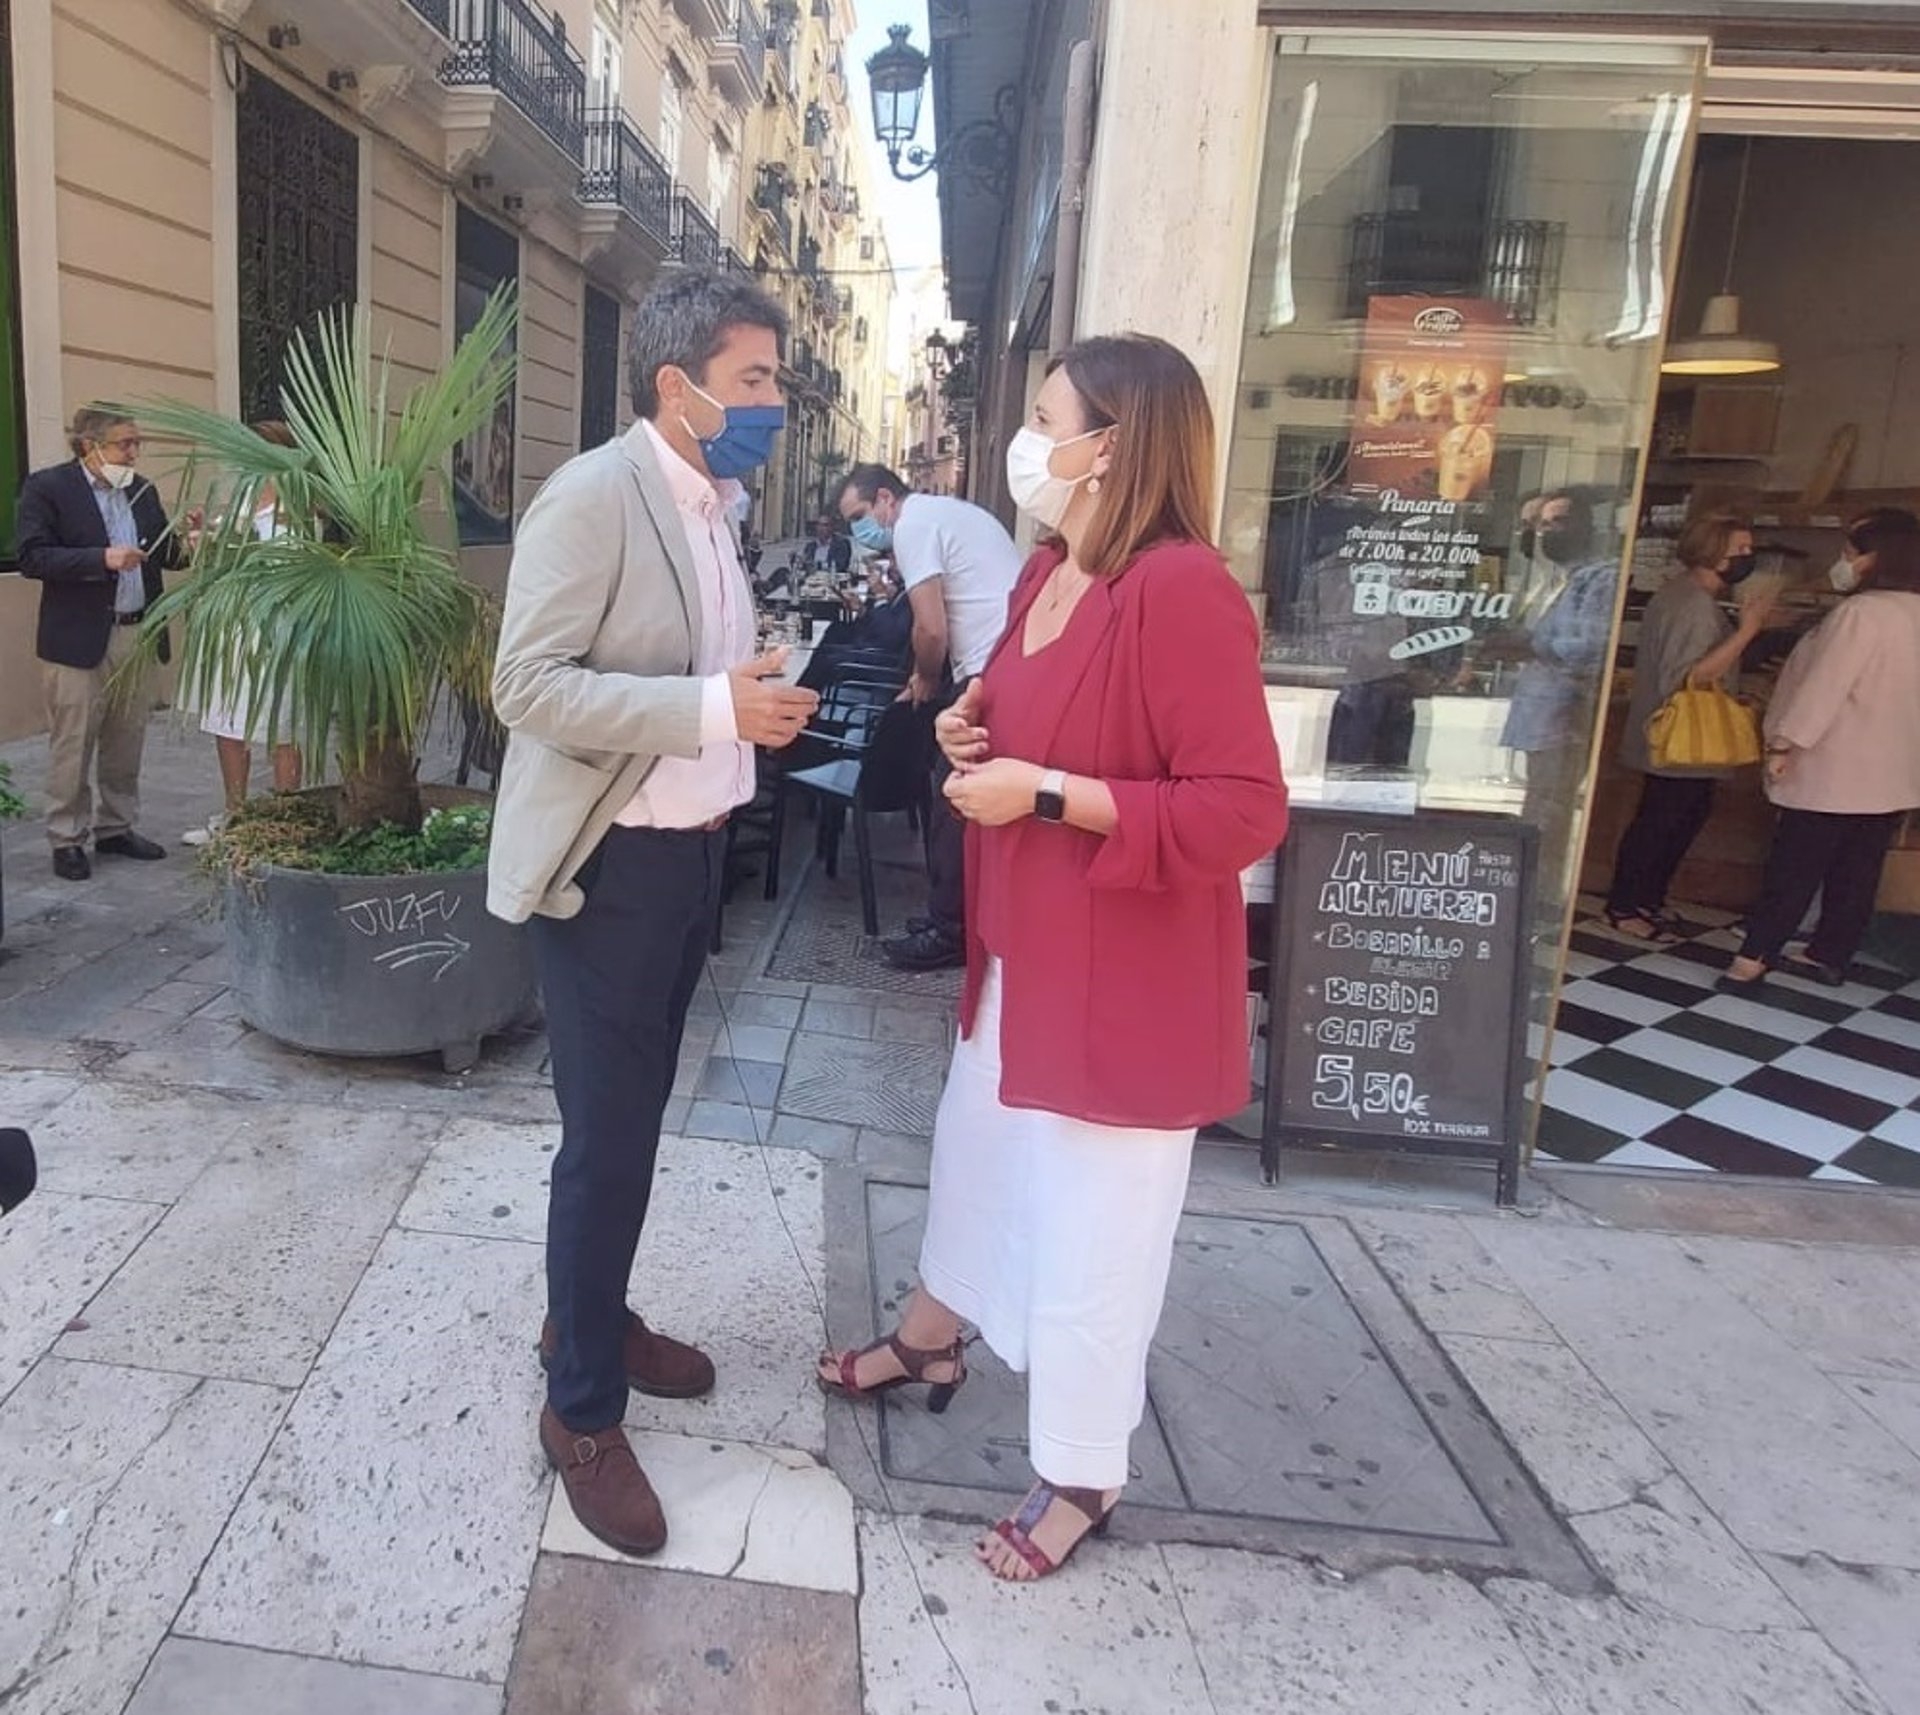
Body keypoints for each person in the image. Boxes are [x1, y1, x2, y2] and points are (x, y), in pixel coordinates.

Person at [816, 334, 1288, 1582]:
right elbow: (1023, 721)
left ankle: (1083, 1467)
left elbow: (1242, 808)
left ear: (1112, 445)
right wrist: (980, 728)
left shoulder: (1181, 588)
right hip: (1019, 954)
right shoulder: (1046, 573)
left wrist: (1047, 794)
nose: (1028, 441)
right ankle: (932, 1336)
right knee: (977, 1160)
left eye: (1045, 417)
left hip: (1121, 979)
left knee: (1095, 1230)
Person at [487, 270, 819, 1558]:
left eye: (777, 381)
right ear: (677, 385)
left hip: (686, 860)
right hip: (609, 869)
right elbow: (528, 684)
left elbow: (693, 670)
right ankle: (579, 1407)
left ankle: (592, 1312)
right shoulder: (593, 495)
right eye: (754, 381)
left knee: (629, 1128)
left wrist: (746, 694)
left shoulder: (714, 503)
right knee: (606, 1141)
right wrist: (710, 710)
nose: (774, 404)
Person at [837, 463, 1022, 970]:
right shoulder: (945, 513)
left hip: (988, 670)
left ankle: (951, 932)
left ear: (883, 499)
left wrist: (924, 680)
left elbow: (931, 629)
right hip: (1002, 662)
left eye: (858, 516)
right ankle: (954, 914)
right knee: (953, 795)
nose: (860, 531)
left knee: (952, 797)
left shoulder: (914, 524)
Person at [1725, 510, 1920, 989]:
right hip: (1892, 770)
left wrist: (1784, 742)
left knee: (1795, 865)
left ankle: (1753, 957)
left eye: (1849, 552)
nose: (1843, 561)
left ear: (1873, 557)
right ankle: (1830, 953)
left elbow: (1825, 687)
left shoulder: (1861, 613)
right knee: (1858, 869)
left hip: (1835, 766)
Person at [15, 406, 192, 880]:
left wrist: (189, 536)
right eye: (124, 443)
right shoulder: (48, 487)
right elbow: (32, 556)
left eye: (137, 442)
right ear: (90, 446)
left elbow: (167, 556)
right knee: (73, 742)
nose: (133, 452)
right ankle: (66, 837)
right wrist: (102, 558)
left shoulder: (142, 490)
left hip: (136, 630)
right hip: (77, 637)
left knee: (126, 737)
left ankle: (115, 827)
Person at [1603, 512, 1774, 940]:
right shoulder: (1693, 604)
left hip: (1674, 735)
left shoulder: (1683, 594)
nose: (1747, 557)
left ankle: (1646, 899)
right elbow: (1690, 676)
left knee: (1675, 818)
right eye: (1740, 550)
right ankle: (1626, 905)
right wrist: (1748, 632)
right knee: (1662, 821)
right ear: (1713, 552)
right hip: (1679, 736)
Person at [1498, 488, 1620, 948]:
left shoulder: (1599, 579)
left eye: (1556, 522)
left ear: (1587, 525)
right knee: (1538, 805)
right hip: (1539, 710)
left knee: (1550, 810)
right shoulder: (1553, 579)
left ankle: (1542, 902)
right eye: (1539, 525)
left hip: (1564, 715)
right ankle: (1528, 896)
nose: (1545, 533)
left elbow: (1588, 648)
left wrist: (1528, 645)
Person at [189, 420, 305, 839]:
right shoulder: (239, 502)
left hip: (279, 632)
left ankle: (285, 818)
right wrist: (202, 538)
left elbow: (298, 572)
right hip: (234, 630)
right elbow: (218, 563)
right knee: (228, 723)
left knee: (283, 727)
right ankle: (235, 816)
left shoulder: (301, 510)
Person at [800, 514, 852, 578]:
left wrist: (817, 566)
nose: (821, 528)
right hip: (811, 581)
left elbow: (840, 566)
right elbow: (804, 566)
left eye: (825, 525)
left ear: (831, 527)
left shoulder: (841, 545)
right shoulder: (810, 546)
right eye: (819, 525)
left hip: (831, 579)